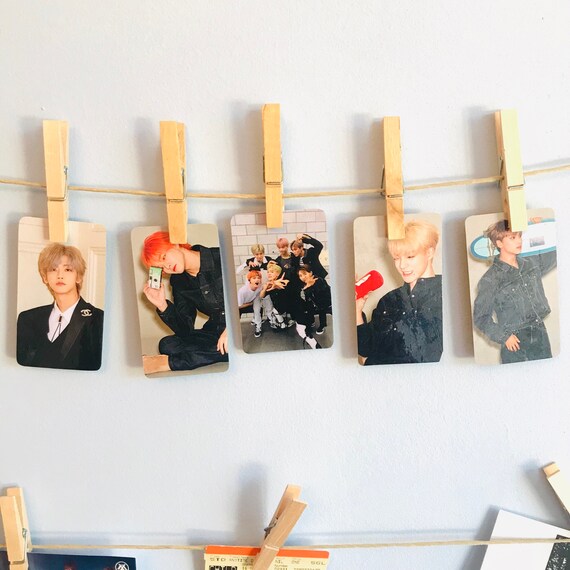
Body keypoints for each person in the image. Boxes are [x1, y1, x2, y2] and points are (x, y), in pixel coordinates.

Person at [140, 231, 228, 374]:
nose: (167, 267)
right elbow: (186, 330)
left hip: (238, 325)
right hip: (214, 330)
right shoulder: (178, 281)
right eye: (161, 268)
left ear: (175, 243)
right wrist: (162, 305)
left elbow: (248, 296)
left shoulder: (222, 256)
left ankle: (168, 363)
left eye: (164, 257)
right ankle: (218, 351)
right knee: (167, 345)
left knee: (230, 342)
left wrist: (230, 330)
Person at [356, 220, 442, 365]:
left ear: (429, 252)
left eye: (410, 256)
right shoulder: (388, 300)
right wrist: (357, 311)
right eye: (396, 258)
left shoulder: (446, 296)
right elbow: (365, 349)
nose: (402, 265)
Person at [473, 218, 556, 364]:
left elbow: (554, 255)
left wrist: (539, 228)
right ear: (499, 243)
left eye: (519, 236)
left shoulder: (531, 263)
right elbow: (481, 317)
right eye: (512, 238)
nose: (519, 241)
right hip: (515, 341)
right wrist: (504, 337)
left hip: (540, 333)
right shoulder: (490, 279)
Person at [17, 243, 104, 370]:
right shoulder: (27, 319)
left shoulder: (98, 319)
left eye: (67, 269)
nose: (60, 275)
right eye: (53, 269)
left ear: (79, 277)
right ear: (45, 277)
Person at [237, 269, 280, 337]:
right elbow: (239, 306)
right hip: (244, 304)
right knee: (256, 310)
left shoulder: (260, 286)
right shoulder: (242, 291)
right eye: (254, 278)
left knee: (265, 304)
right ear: (249, 280)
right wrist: (250, 304)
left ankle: (272, 322)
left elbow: (269, 286)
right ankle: (258, 326)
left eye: (258, 278)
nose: (257, 280)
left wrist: (275, 282)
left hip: (256, 297)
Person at [298, 265, 332, 334]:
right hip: (312, 302)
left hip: (322, 301)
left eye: (305, 274)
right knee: (309, 309)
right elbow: (307, 295)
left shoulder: (319, 280)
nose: (303, 277)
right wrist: (307, 287)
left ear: (310, 273)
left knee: (322, 311)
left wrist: (311, 285)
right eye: (300, 276)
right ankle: (312, 321)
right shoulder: (303, 284)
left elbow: (322, 293)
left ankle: (322, 325)